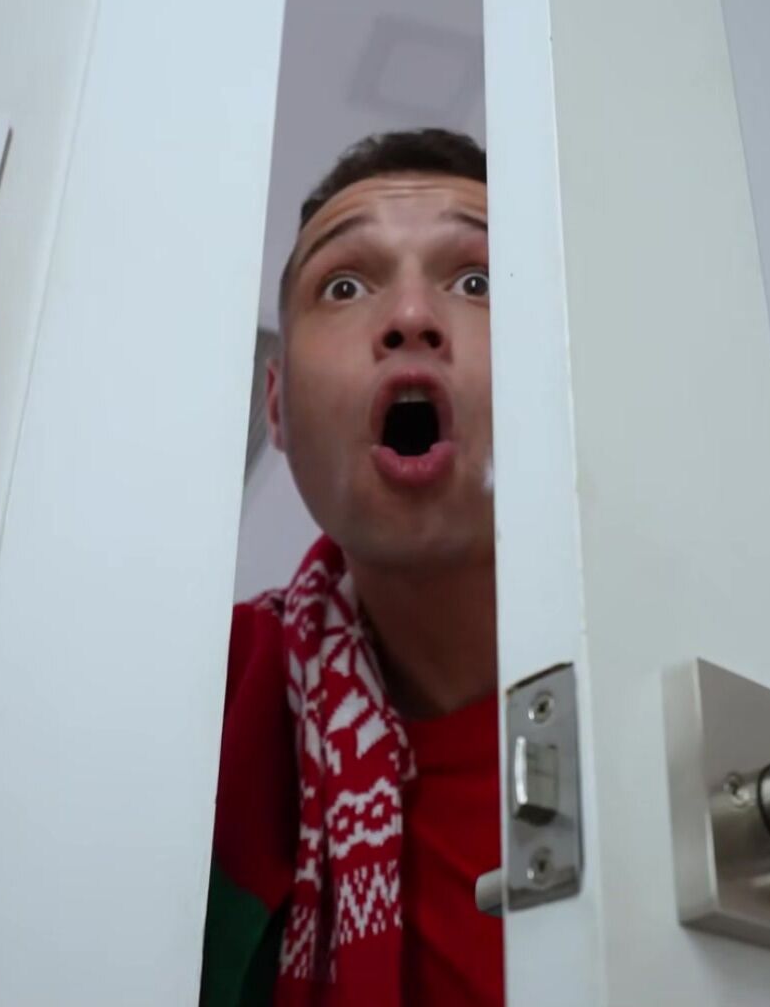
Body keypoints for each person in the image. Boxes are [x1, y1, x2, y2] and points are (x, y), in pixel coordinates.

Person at [202, 130, 502, 1007]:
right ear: (276, 408)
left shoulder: (671, 711)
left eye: (477, 282)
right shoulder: (199, 696)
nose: (410, 316)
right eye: (343, 285)